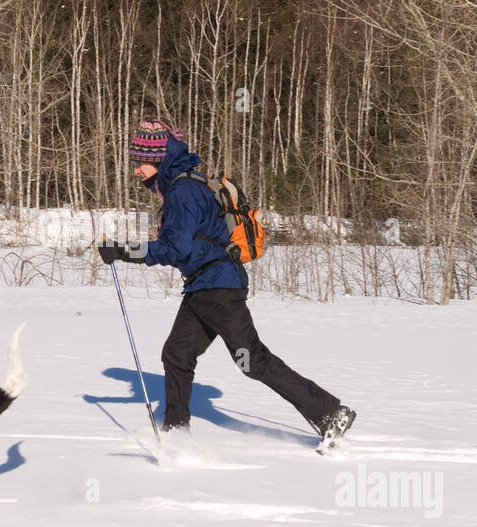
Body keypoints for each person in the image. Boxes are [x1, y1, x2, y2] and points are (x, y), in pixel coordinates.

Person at [98, 116, 356, 448]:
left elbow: (176, 249)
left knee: (253, 361)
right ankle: (175, 431)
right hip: (204, 287)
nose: (135, 169)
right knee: (176, 353)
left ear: (158, 158)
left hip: (218, 288)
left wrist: (123, 250)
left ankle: (330, 413)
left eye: (140, 161)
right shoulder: (182, 185)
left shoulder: (183, 191)